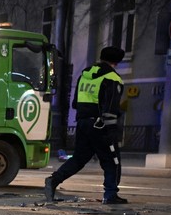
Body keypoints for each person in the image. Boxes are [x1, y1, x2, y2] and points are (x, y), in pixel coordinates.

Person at [45, 46, 127, 204]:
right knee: (112, 160)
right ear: (116, 62)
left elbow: (75, 103)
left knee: (79, 158)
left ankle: (53, 181)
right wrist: (111, 132)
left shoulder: (85, 74)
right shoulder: (113, 78)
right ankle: (110, 194)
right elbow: (110, 108)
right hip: (100, 125)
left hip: (82, 123)